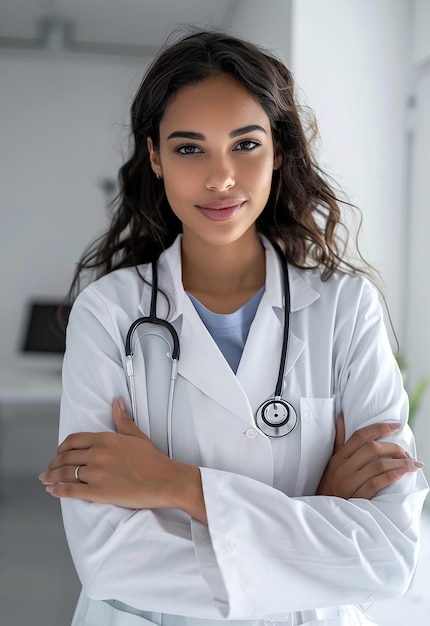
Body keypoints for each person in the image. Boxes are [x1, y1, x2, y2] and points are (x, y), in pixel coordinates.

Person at [39, 28, 428, 626]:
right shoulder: (109, 314)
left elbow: (388, 555)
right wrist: (315, 518)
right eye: (189, 149)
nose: (221, 178)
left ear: (278, 150)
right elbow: (111, 561)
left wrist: (175, 485)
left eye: (244, 145)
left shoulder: (347, 309)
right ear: (155, 158)